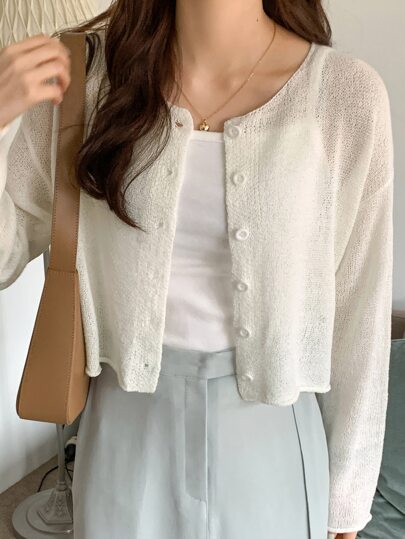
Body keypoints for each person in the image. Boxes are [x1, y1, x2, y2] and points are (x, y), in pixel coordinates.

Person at [0, 1, 394, 538]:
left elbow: (358, 317)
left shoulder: (344, 96)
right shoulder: (83, 78)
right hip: (124, 440)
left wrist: (347, 500)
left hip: (273, 445)